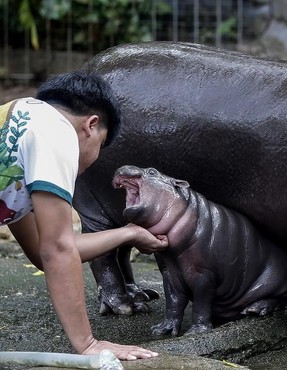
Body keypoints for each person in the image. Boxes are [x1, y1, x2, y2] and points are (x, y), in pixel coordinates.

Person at [0, 71, 168, 360]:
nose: (95, 157)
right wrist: (88, 345)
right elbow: (57, 251)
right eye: (101, 146)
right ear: (91, 125)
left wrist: (130, 232)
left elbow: (46, 251)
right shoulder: (57, 131)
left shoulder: (20, 119)